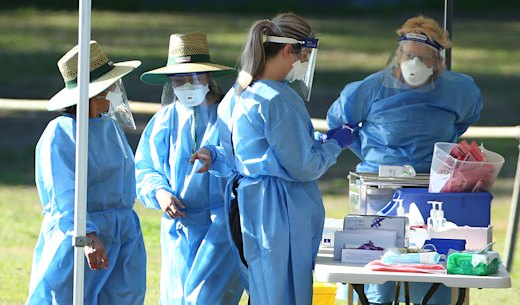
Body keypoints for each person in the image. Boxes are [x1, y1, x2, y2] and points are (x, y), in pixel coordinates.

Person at [190, 12, 357, 305]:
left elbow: (232, 153)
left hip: (245, 204)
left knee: (262, 288)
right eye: (302, 55)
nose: (303, 63)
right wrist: (333, 145)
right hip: (278, 211)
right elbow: (304, 167)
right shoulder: (278, 100)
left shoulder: (238, 92)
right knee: (283, 292)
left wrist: (211, 156)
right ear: (287, 50)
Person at [326, 15, 483, 305]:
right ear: (398, 55)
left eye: (424, 58)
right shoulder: (369, 89)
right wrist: (374, 155)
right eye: (409, 56)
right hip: (378, 190)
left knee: (432, 269)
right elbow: (340, 126)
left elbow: (461, 122)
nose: (415, 64)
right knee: (377, 271)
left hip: (433, 193)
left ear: (438, 62)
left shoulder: (458, 89)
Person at [26, 41, 146, 305]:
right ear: (93, 93)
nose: (116, 91)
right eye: (110, 85)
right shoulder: (60, 134)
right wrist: (86, 235)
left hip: (121, 237)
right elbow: (63, 195)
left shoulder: (110, 128)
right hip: (79, 241)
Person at [135, 32, 244, 305]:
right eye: (179, 80)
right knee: (178, 297)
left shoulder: (229, 115)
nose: (186, 85)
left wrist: (216, 158)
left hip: (222, 226)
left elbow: (245, 164)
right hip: (178, 228)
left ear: (208, 77)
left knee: (210, 298)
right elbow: (145, 166)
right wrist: (160, 192)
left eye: (192, 78)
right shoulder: (165, 120)